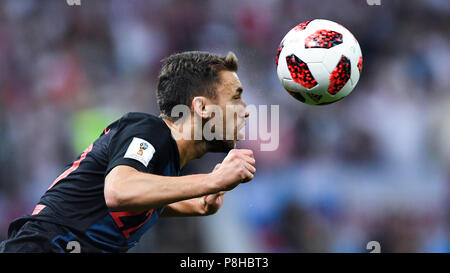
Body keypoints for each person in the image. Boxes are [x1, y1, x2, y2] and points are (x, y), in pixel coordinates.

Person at [0, 51, 256, 253]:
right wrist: (212, 180)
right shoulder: (148, 129)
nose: (245, 110)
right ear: (201, 107)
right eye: (235, 98)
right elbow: (119, 192)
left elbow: (146, 197)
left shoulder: (164, 160)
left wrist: (202, 198)